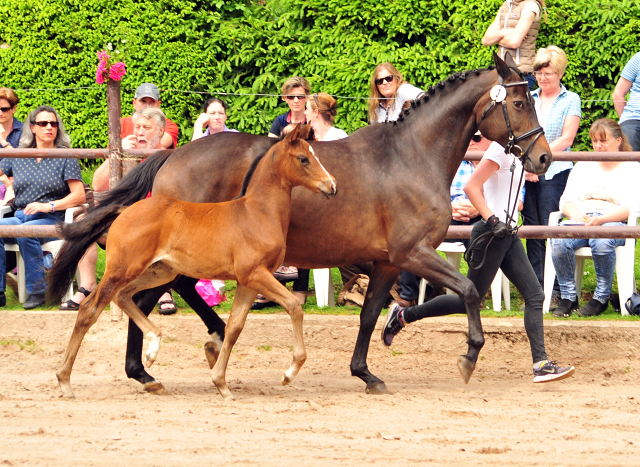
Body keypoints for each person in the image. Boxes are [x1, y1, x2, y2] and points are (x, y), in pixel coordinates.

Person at [382, 139, 575, 383]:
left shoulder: (518, 152)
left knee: (535, 296)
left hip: (509, 234)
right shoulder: (498, 150)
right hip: (492, 234)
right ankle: (403, 316)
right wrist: (492, 219)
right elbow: (472, 186)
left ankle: (541, 365)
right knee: (467, 300)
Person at [78, 108, 178, 314]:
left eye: (147, 128)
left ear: (160, 132)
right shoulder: (126, 153)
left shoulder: (171, 159)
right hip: (127, 221)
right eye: (137, 127)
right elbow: (97, 184)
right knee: (82, 222)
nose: (140, 132)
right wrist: (116, 155)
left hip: (159, 224)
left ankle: (162, 290)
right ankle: (87, 286)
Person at [551, 119, 640, 317]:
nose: (598, 146)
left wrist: (602, 220)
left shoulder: (632, 167)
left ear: (618, 141)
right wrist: (574, 214)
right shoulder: (583, 165)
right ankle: (568, 297)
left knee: (601, 241)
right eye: (594, 141)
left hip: (614, 221)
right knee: (558, 240)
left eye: (603, 141)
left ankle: (600, 298)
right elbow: (567, 198)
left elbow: (633, 206)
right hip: (581, 218)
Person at [0, 106, 85, 309]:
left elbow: (79, 195)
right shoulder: (20, 155)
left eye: (53, 124)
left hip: (53, 219)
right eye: (43, 123)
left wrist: (49, 206)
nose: (49, 127)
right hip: (20, 215)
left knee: (25, 232)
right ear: (33, 128)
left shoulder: (66, 156)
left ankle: (38, 292)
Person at [523, 45, 581, 295]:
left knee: (552, 226)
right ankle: (535, 285)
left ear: (560, 73)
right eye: (538, 72)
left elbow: (567, 139)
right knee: (531, 228)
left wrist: (541, 163)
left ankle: (557, 287)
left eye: (548, 73)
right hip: (526, 170)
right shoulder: (528, 97)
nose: (542, 77)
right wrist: (529, 165)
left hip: (556, 171)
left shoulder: (571, 99)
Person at [481, 0, 546, 89]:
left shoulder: (531, 6)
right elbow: (486, 40)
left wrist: (496, 38)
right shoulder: (506, 5)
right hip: (501, 70)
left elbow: (514, 42)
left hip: (521, 72)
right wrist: (503, 33)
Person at [121, 83, 179, 149]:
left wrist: (125, 148)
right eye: (143, 101)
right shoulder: (121, 123)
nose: (148, 106)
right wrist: (119, 149)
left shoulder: (168, 125)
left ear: (159, 104)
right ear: (134, 103)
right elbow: (109, 158)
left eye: (152, 102)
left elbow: (162, 142)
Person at [612, 52, 640, 151]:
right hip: (634, 119)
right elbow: (618, 94)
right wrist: (626, 121)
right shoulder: (638, 58)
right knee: (629, 163)